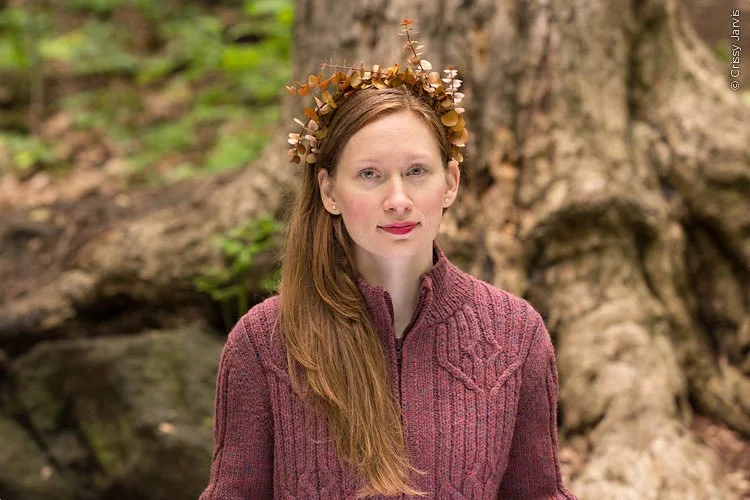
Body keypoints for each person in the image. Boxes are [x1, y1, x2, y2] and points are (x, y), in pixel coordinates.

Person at [200, 20, 576, 500]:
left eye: (416, 171)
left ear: (450, 183)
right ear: (329, 190)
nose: (398, 200)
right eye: (370, 175)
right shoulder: (263, 343)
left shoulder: (515, 334)